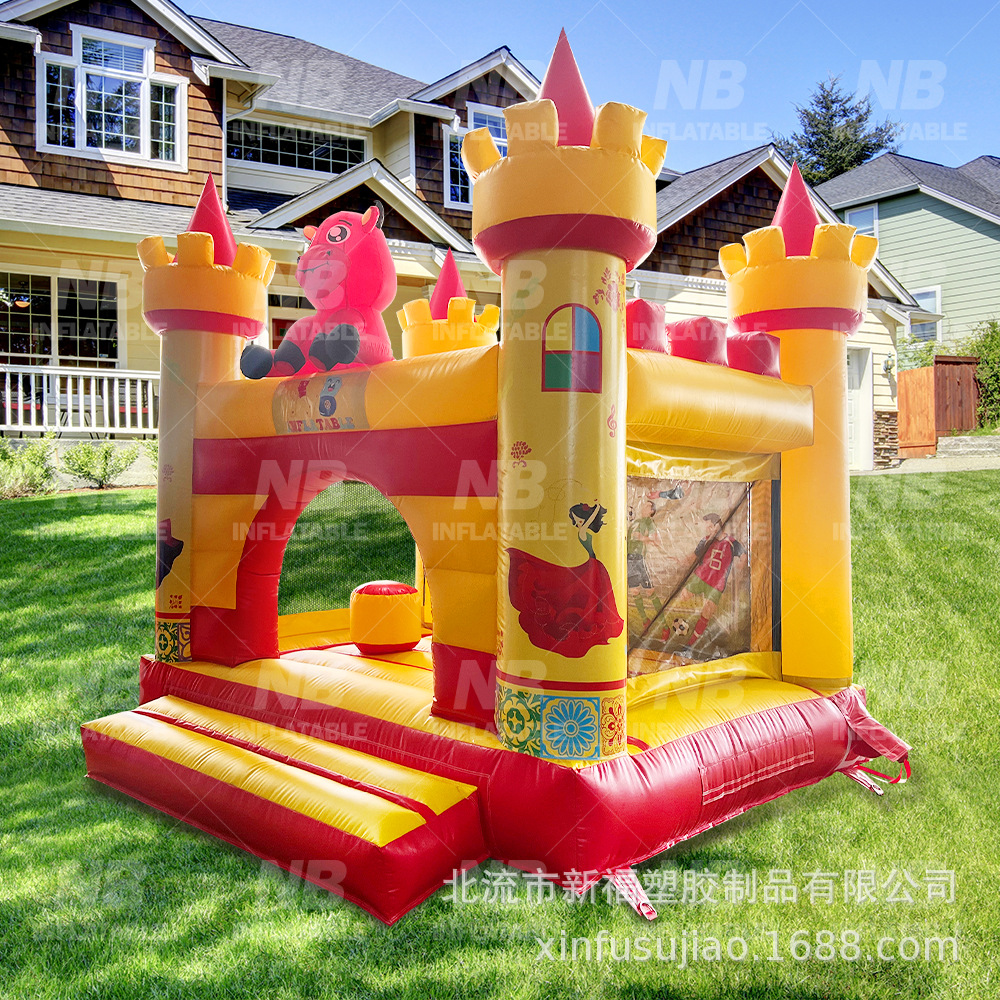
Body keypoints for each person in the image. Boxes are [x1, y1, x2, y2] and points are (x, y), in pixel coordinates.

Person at [507, 500, 623, 659]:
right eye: (575, 520)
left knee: (594, 595)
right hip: (592, 565)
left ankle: (591, 620)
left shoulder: (584, 531)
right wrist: (595, 508)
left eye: (578, 520)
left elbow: (589, 520)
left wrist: (595, 509)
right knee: (589, 594)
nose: (577, 523)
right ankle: (585, 621)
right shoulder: (582, 532)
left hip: (593, 566)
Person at [679, 513, 744, 650]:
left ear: (718, 525)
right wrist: (681, 562)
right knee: (683, 597)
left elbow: (743, 554)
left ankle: (690, 644)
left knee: (707, 612)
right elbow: (694, 556)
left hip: (717, 584)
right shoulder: (705, 540)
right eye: (707, 527)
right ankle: (683, 625)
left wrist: (741, 565)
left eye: (710, 527)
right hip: (700, 578)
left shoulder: (731, 542)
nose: (708, 530)